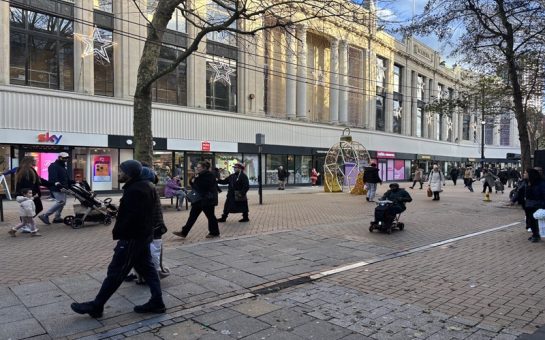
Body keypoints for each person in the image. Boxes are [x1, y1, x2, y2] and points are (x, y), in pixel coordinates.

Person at [71, 160, 165, 318]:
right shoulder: (144, 186)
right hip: (141, 237)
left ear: (130, 173)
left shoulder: (136, 189)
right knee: (148, 269)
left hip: (132, 238)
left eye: (121, 171)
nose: (118, 174)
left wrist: (123, 236)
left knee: (117, 271)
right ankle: (157, 302)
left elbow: (134, 217)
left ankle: (97, 305)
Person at [172, 161, 220, 239]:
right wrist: (192, 180)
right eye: (197, 167)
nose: (197, 168)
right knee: (192, 216)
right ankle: (184, 232)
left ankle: (214, 232)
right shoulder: (200, 175)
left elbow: (204, 187)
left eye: (198, 167)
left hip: (207, 200)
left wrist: (195, 180)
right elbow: (195, 186)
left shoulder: (209, 175)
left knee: (210, 216)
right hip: (199, 200)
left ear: (204, 168)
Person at [39, 152, 72, 225]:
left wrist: (72, 182)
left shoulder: (62, 166)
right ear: (60, 157)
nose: (66, 160)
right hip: (56, 187)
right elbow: (53, 178)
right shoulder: (53, 166)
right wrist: (58, 185)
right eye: (64, 158)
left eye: (67, 158)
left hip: (63, 187)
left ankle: (57, 217)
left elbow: (66, 177)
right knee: (61, 202)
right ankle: (45, 215)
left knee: (62, 203)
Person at [522, 168, 545, 242]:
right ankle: (534, 234)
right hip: (528, 205)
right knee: (530, 220)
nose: (524, 174)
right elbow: (520, 191)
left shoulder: (540, 183)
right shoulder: (526, 182)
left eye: (525, 173)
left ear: (530, 174)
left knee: (536, 221)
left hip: (537, 205)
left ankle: (537, 235)